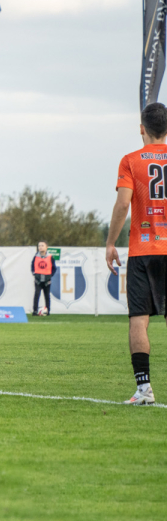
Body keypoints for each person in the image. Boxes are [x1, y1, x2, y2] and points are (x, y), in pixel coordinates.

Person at [106, 102, 167, 405]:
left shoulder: (130, 161)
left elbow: (122, 205)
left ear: (142, 128)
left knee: (138, 320)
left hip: (143, 249)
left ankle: (144, 389)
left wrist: (110, 242)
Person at [31, 241, 57, 316]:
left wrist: (50, 276)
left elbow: (54, 268)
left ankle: (48, 310)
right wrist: (34, 274)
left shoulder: (50, 257)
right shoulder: (36, 257)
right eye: (39, 246)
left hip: (47, 280)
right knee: (37, 294)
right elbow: (32, 266)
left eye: (42, 245)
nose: (40, 247)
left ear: (46, 247)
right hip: (38, 280)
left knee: (47, 295)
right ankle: (35, 311)